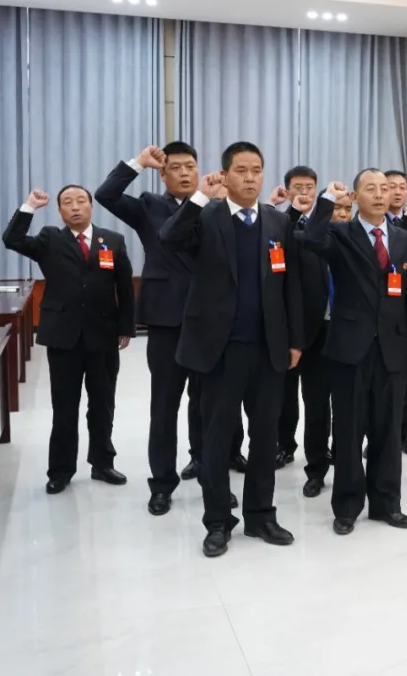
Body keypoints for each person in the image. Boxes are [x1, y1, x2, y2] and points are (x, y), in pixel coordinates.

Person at [158, 141, 304, 558]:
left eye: (256, 170)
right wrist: (201, 195)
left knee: (264, 437)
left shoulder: (277, 222)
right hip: (218, 351)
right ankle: (218, 522)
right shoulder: (206, 216)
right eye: (241, 170)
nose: (250, 177)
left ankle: (261, 515)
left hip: (268, 349)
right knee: (217, 439)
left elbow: (290, 287)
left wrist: (295, 341)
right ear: (225, 174)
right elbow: (168, 239)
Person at [96, 143, 241, 516]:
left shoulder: (215, 206)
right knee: (164, 405)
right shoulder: (148, 206)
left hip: (209, 321)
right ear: (163, 174)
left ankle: (210, 475)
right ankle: (161, 484)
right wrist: (137, 163)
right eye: (175, 168)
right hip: (165, 321)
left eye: (190, 166)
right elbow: (106, 194)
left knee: (207, 405)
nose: (184, 173)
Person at [301, 170, 407, 536]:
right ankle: (347, 506)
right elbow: (310, 237)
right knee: (349, 430)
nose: (379, 194)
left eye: (384, 188)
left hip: (393, 350)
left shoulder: (404, 240)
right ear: (355, 197)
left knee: (388, 431)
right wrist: (326, 200)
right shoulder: (340, 234)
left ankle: (387, 504)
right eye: (369, 189)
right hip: (349, 349)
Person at [2, 186, 135, 494]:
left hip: (103, 335)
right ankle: (61, 470)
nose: (75, 207)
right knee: (64, 406)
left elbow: (125, 287)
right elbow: (12, 240)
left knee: (102, 403)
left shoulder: (112, 240)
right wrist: (29, 207)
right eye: (67, 203)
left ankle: (102, 463)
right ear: (60, 211)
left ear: (91, 206)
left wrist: (126, 326)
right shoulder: (50, 239)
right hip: (63, 335)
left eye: (80, 201)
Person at [269, 166, 335, 498]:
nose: (305, 193)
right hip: (292, 327)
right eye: (298, 187)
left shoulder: (330, 225)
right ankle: (284, 444)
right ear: (287, 190)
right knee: (285, 395)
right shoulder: (281, 224)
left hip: (326, 328)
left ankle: (317, 465)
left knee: (317, 401)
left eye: (310, 187)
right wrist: (288, 210)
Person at [383, 169, 407, 456]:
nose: (397, 192)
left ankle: (404, 431)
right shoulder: (373, 224)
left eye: (401, 186)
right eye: (390, 186)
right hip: (377, 314)